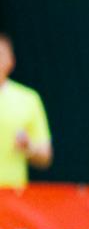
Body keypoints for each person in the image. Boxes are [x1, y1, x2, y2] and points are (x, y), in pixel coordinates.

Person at [0, 33, 53, 188]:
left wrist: (28, 147)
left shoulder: (29, 99)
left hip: (13, 194)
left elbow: (46, 156)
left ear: (11, 60)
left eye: (1, 54)